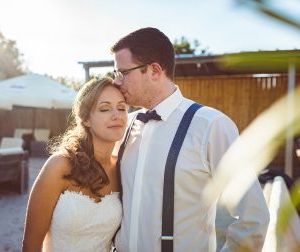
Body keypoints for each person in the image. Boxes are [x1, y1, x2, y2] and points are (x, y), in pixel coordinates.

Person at [111, 27, 270, 252]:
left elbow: (253, 217)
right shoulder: (124, 125)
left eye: (123, 73)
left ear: (154, 70)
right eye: (115, 74)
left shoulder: (211, 126)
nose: (116, 82)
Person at [22, 77, 128, 252]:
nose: (117, 116)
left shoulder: (122, 168)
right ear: (85, 119)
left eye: (122, 108)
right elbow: (30, 246)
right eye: (105, 109)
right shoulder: (59, 166)